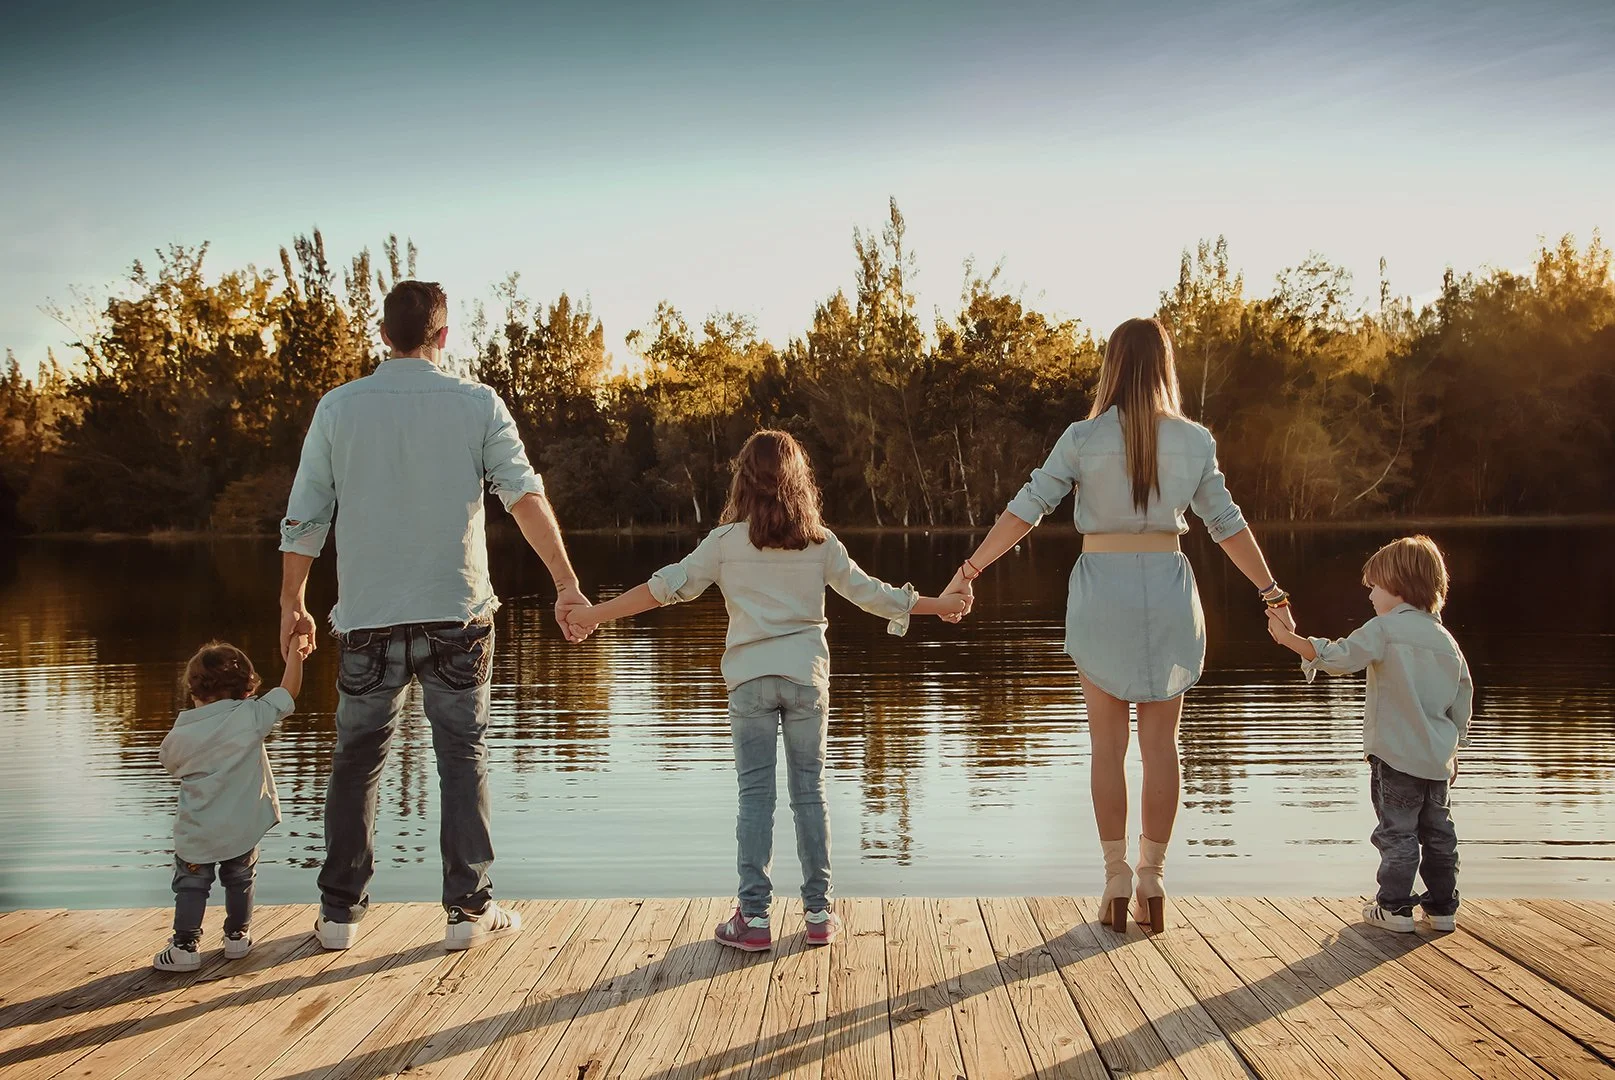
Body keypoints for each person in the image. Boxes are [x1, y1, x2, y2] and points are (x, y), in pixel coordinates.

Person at [941, 317, 1293, 933]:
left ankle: (1114, 878)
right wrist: (1271, 590)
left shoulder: (1081, 437)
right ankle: (1153, 876)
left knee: (1108, 745)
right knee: (1163, 747)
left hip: (1102, 590)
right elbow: (1226, 523)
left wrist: (969, 569)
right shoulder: (1195, 441)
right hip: (1166, 583)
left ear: (1112, 366)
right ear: (1165, 367)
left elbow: (1027, 507)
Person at [279, 279, 590, 953]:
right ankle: (467, 913)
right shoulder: (476, 404)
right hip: (457, 614)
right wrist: (566, 584)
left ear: (382, 334)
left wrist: (292, 602)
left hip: (366, 617)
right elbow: (523, 496)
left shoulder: (338, 408)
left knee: (356, 760)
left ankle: (338, 916)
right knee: (462, 756)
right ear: (443, 337)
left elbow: (306, 515)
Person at [565, 430, 967, 950]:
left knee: (755, 796)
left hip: (750, 682)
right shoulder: (822, 545)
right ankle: (820, 914)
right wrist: (943, 604)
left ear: (743, 483)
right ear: (801, 483)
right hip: (806, 681)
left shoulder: (725, 544)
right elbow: (875, 596)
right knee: (810, 795)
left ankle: (753, 920)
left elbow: (663, 588)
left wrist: (593, 614)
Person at [1266, 535, 1473, 933]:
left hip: (1395, 758)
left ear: (1397, 586)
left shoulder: (1385, 629)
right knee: (1439, 834)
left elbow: (1341, 658)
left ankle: (1394, 908)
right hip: (1437, 762)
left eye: (1374, 587)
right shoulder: (1448, 642)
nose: (1371, 596)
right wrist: (1453, 752)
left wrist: (1289, 640)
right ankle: (1442, 908)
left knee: (1397, 833)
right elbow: (1461, 704)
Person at [154, 639, 304, 971]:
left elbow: (169, 763)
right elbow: (288, 690)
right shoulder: (252, 716)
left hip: (199, 831)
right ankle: (237, 937)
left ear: (193, 692)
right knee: (240, 878)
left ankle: (184, 947)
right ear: (248, 690)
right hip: (243, 826)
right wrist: (296, 651)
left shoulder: (181, 735)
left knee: (192, 884)